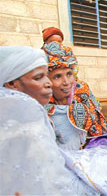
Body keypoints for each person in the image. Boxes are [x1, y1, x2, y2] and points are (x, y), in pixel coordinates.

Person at [0, 46, 97, 195]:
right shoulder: (17, 128)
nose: (49, 83)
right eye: (38, 78)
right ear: (12, 84)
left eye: (70, 74)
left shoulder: (79, 104)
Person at [42, 42, 107, 150]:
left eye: (69, 74)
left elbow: (98, 130)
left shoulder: (82, 91)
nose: (66, 82)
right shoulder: (41, 103)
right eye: (57, 77)